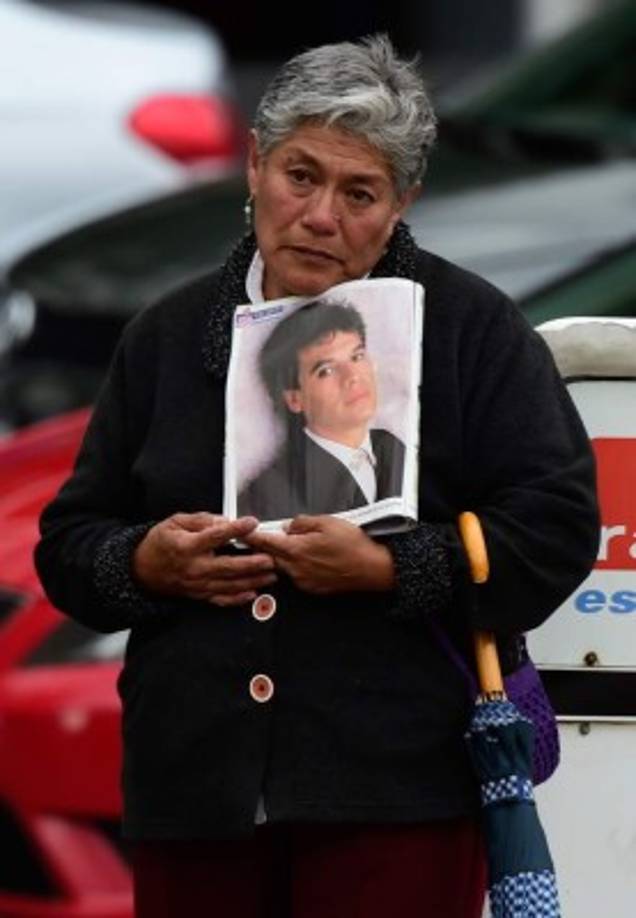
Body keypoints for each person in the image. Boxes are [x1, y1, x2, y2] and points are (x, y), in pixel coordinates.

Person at [34, 34, 599, 918]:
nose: (321, 215)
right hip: (198, 796)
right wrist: (146, 562)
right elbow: (69, 542)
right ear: (255, 166)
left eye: (360, 192)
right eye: (301, 176)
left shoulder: (471, 331)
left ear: (404, 201)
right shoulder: (168, 335)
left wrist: (392, 569)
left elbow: (557, 524)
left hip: (399, 794)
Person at [237, 298, 406, 520]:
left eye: (357, 357)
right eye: (326, 370)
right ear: (295, 399)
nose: (353, 377)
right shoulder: (265, 494)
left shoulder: (392, 446)